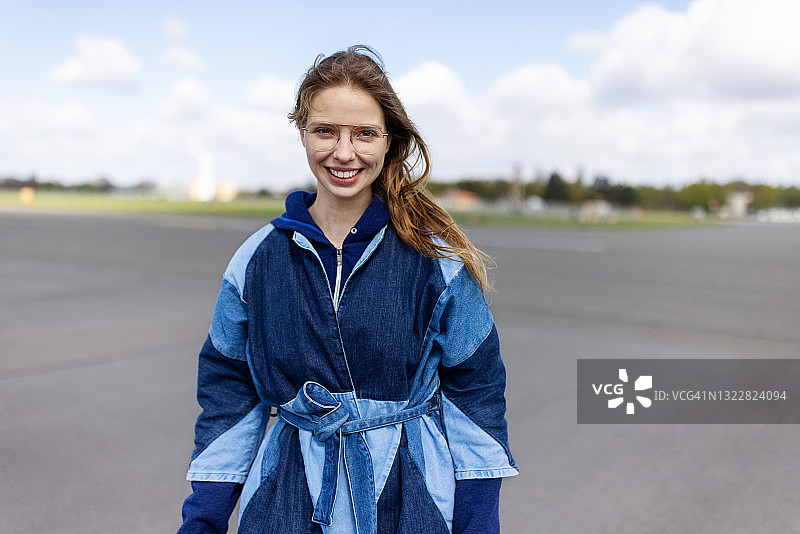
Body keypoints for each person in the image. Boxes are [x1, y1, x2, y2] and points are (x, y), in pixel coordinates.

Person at [177, 45, 518, 534]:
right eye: (325, 131)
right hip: (286, 497)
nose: (343, 152)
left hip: (412, 497)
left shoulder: (438, 262)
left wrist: (478, 525)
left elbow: (477, 395)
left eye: (363, 134)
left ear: (388, 141)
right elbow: (229, 393)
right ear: (302, 132)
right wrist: (203, 520)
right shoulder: (255, 261)